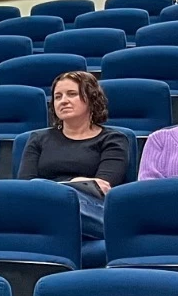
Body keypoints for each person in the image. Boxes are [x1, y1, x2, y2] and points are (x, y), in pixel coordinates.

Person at [18, 71, 129, 240]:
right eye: (58, 96)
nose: (63, 101)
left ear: (91, 99)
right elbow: (27, 186)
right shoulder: (38, 139)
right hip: (43, 203)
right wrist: (75, 183)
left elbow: (102, 187)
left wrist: (53, 188)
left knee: (52, 197)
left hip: (91, 209)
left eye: (72, 94)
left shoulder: (114, 139)